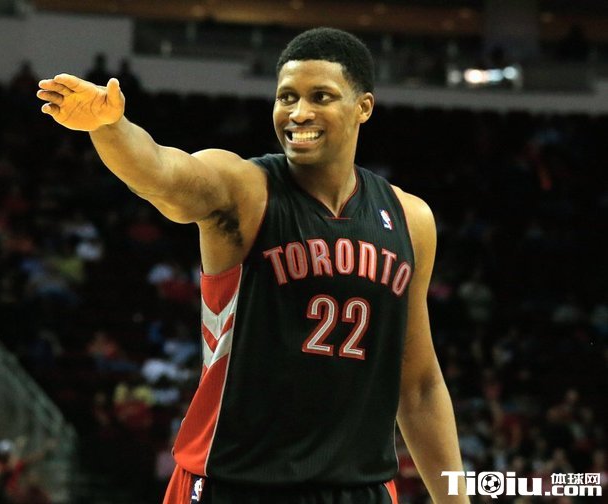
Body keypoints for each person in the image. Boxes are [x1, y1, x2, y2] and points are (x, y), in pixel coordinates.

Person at [38, 27, 468, 503]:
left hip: (358, 488)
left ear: (363, 107)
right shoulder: (244, 189)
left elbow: (420, 385)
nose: (298, 113)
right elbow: (161, 173)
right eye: (287, 97)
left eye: (320, 97)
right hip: (236, 482)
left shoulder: (411, 220)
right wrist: (110, 127)